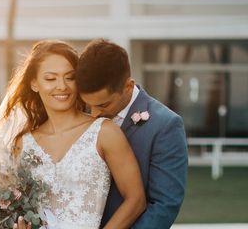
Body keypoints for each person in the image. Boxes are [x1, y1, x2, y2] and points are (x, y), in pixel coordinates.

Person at [0, 40, 146, 229]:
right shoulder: (23, 143)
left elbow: (136, 200)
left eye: (70, 77)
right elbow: (13, 207)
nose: (61, 86)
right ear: (34, 84)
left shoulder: (105, 132)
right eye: (50, 79)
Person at [76, 39, 188, 229]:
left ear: (128, 87)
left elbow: (164, 206)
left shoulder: (166, 126)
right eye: (88, 104)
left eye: (103, 105)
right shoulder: (76, 114)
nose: (93, 113)